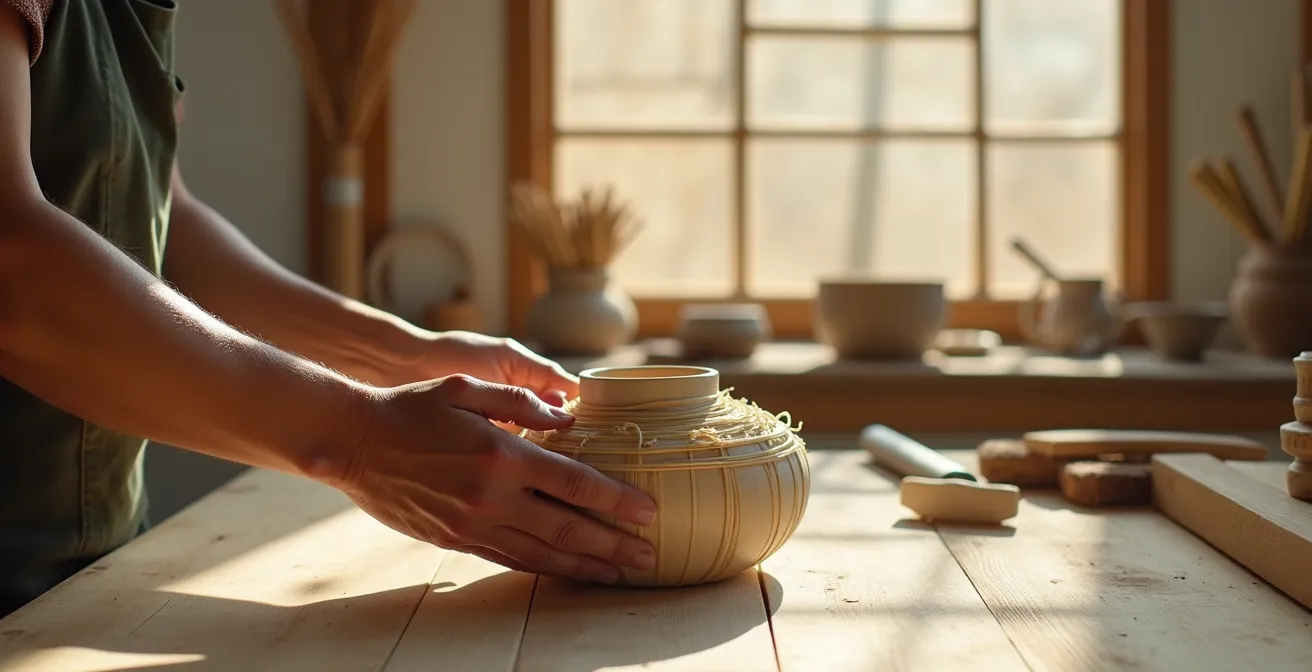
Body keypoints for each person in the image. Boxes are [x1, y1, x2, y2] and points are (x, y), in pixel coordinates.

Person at [0, 0, 658, 618]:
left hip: (101, 573)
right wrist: (357, 442)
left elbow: (163, 232)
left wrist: (403, 356)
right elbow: (14, 266)